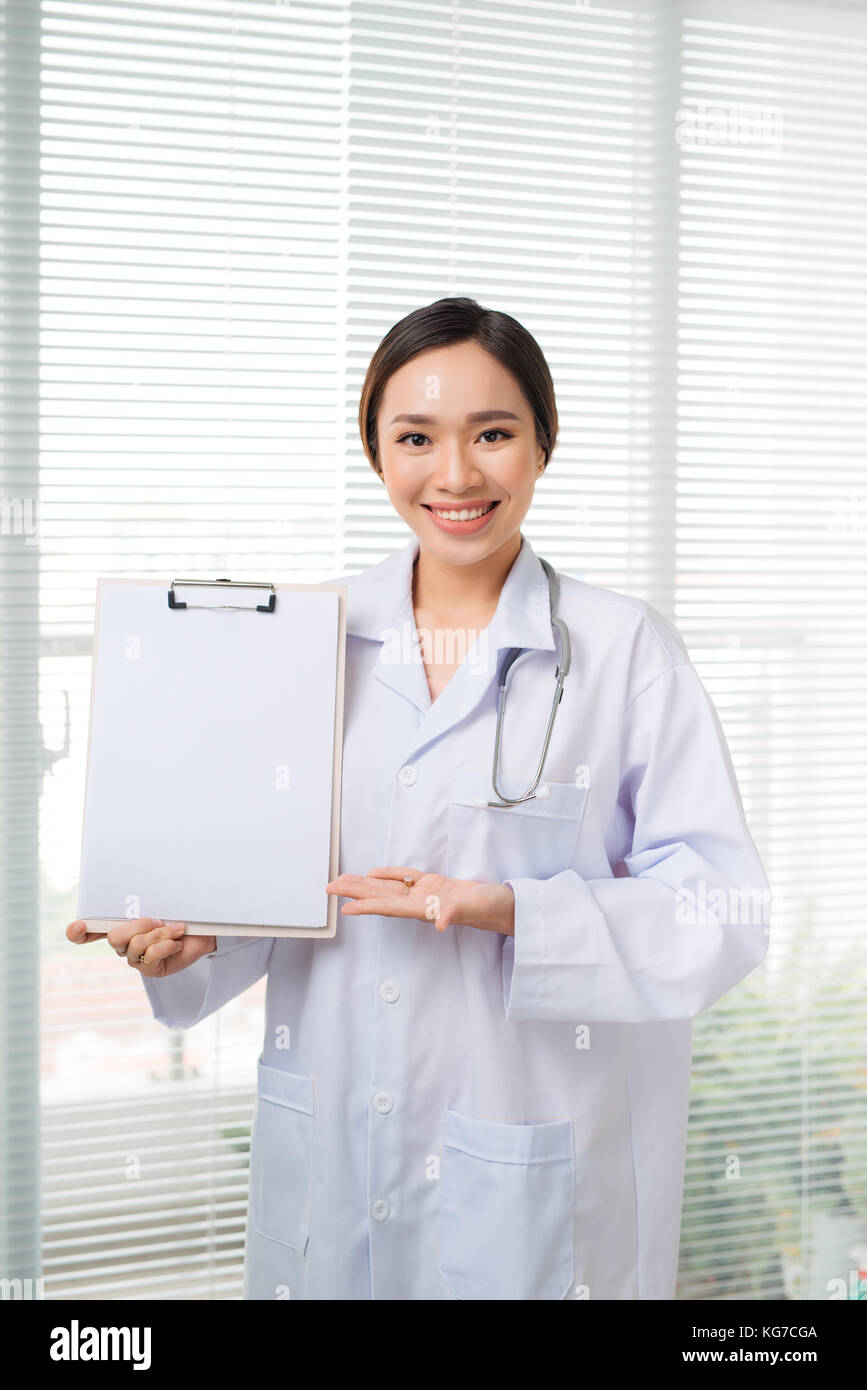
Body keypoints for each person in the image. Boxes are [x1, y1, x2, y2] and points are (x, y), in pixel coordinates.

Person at [67, 295, 770, 1300]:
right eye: (416, 437)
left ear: (543, 442)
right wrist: (197, 941)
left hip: (533, 1158)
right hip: (338, 1147)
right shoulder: (303, 640)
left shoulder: (621, 651)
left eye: (493, 433)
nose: (456, 474)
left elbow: (720, 907)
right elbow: (273, 886)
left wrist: (511, 909)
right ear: (375, 451)